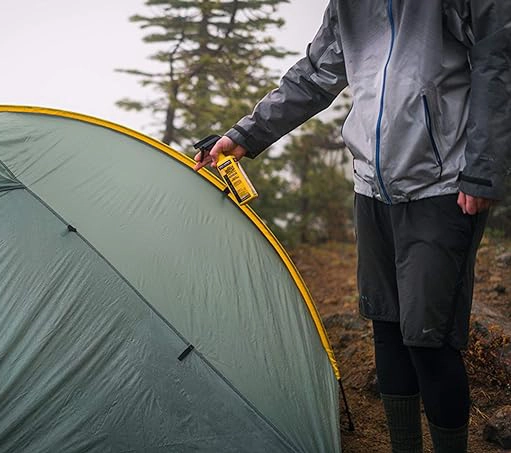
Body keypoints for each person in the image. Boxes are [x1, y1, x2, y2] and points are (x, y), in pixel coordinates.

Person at [193, 1, 510, 452]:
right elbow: (314, 75)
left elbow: (497, 66)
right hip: (372, 188)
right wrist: (244, 135)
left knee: (428, 339)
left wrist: (483, 170)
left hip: (443, 187)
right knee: (386, 328)